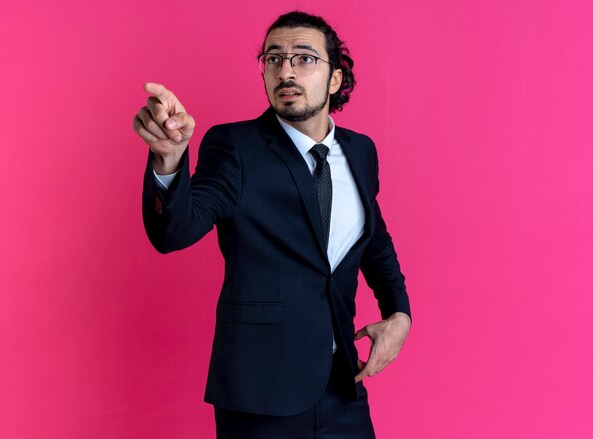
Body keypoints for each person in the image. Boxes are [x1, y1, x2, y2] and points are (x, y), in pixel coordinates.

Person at [133, 10, 411, 439]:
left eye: (304, 58)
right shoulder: (235, 147)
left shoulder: (361, 152)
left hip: (342, 386)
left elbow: (374, 240)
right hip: (260, 392)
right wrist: (169, 161)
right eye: (274, 58)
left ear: (334, 78)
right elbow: (176, 231)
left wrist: (399, 313)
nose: (286, 70)